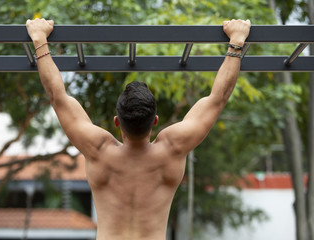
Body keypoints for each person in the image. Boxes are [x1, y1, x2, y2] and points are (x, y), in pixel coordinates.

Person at [26, 18, 251, 240]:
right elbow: (218, 99)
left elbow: (57, 97)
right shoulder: (172, 148)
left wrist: (39, 40)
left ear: (117, 121)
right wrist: (236, 41)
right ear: (155, 121)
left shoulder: (99, 150)